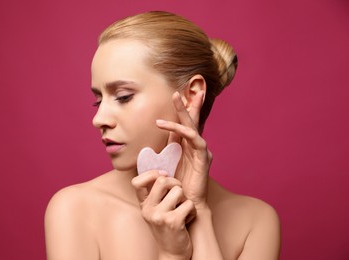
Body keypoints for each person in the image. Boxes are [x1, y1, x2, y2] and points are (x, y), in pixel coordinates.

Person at [45, 11, 281, 260]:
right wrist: (172, 254)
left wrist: (199, 212)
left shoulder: (256, 222)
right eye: (98, 100)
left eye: (124, 96)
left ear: (191, 96)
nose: (99, 119)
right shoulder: (75, 211)